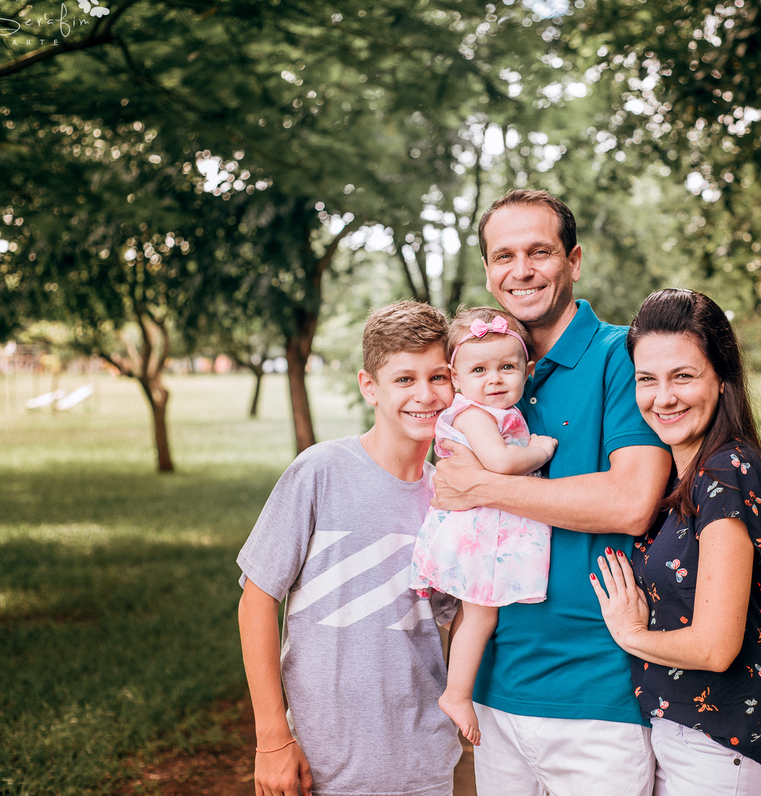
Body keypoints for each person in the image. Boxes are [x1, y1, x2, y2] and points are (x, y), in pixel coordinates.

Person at [431, 190, 673, 796]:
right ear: (488, 271)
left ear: (574, 260)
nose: (521, 270)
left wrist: (486, 486)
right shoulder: (480, 372)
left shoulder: (622, 354)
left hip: (597, 690)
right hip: (497, 685)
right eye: (503, 255)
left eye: (539, 251)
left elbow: (631, 502)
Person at [589, 288, 761, 795]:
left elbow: (715, 647)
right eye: (646, 379)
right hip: (688, 738)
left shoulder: (728, 472)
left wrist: (630, 635)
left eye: (683, 376)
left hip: (729, 747)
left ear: (722, 377)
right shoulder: (682, 477)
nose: (662, 397)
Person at [237, 301, 462, 796]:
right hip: (320, 764)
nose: (425, 395)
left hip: (423, 762)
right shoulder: (320, 472)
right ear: (369, 387)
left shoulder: (452, 499)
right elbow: (257, 600)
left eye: (439, 377)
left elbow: (453, 620)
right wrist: (272, 738)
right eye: (404, 379)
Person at [410, 306, 558, 746]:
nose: (494, 379)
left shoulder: (493, 410)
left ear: (526, 371)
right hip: (478, 533)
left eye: (507, 367)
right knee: (481, 615)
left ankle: (459, 690)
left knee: (480, 614)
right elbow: (500, 462)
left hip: (485, 527)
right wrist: (540, 450)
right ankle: (456, 694)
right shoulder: (473, 414)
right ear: (456, 378)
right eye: (479, 369)